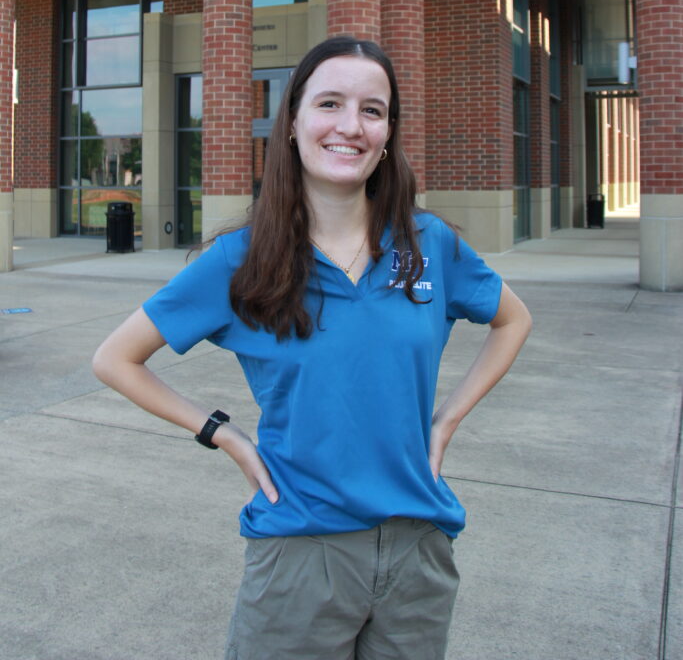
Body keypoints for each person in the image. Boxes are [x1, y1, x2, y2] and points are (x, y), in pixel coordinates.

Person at [93, 35, 532, 660]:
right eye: (329, 104)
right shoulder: (240, 260)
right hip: (301, 552)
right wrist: (223, 434)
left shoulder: (428, 244)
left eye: (372, 110)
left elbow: (513, 320)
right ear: (293, 123)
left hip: (417, 549)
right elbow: (114, 359)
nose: (350, 126)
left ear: (387, 136)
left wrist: (448, 419)